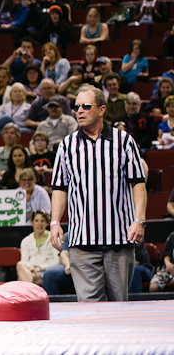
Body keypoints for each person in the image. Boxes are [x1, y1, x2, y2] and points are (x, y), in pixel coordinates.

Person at [51, 85, 147, 302]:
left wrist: (139, 220)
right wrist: (55, 221)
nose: (80, 111)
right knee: (89, 308)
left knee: (118, 303)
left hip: (119, 239)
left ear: (102, 109)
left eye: (86, 106)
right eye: (76, 107)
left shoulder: (124, 142)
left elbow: (138, 184)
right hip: (82, 240)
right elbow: (59, 187)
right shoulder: (66, 146)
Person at [17, 210, 59, 286]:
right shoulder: (26, 241)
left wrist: (40, 267)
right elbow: (24, 260)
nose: (39, 224)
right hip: (30, 269)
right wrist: (30, 267)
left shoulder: (54, 238)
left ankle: (27, 286)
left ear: (47, 223)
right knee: (20, 264)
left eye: (42, 221)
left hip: (47, 271)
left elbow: (56, 261)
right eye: (36, 221)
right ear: (32, 223)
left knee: (21, 280)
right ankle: (28, 284)